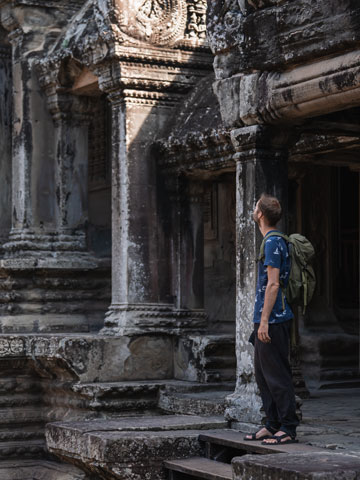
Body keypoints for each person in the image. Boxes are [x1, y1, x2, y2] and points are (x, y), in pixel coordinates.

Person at [244, 193, 299, 445]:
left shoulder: (272, 243)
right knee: (263, 375)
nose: (254, 210)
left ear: (261, 215)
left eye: (256, 207)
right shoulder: (272, 241)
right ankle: (272, 423)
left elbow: (274, 284)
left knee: (277, 375)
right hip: (266, 318)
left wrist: (264, 321)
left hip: (273, 319)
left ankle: (288, 427)